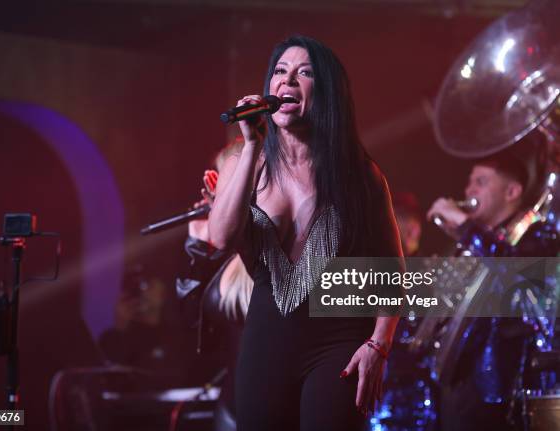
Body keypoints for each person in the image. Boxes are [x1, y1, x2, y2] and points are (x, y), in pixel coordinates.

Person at [208, 35, 403, 430]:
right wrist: (250, 147)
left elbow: (392, 273)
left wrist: (378, 347)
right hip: (267, 342)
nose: (287, 81)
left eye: (304, 73)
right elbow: (220, 239)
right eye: (280, 72)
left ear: (327, 91)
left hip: (340, 341)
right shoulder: (243, 161)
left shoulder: (361, 175)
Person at [425, 143, 559, 431]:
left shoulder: (537, 232)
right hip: (460, 388)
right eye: (470, 182)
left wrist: (465, 227)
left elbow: (518, 277)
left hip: (500, 393)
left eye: (481, 182)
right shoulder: (477, 242)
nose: (469, 190)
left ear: (511, 192)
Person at [176, 140, 253, 431]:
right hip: (232, 412)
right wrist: (198, 249)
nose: (213, 197)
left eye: (222, 187)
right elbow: (193, 327)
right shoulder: (223, 258)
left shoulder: (286, 241)